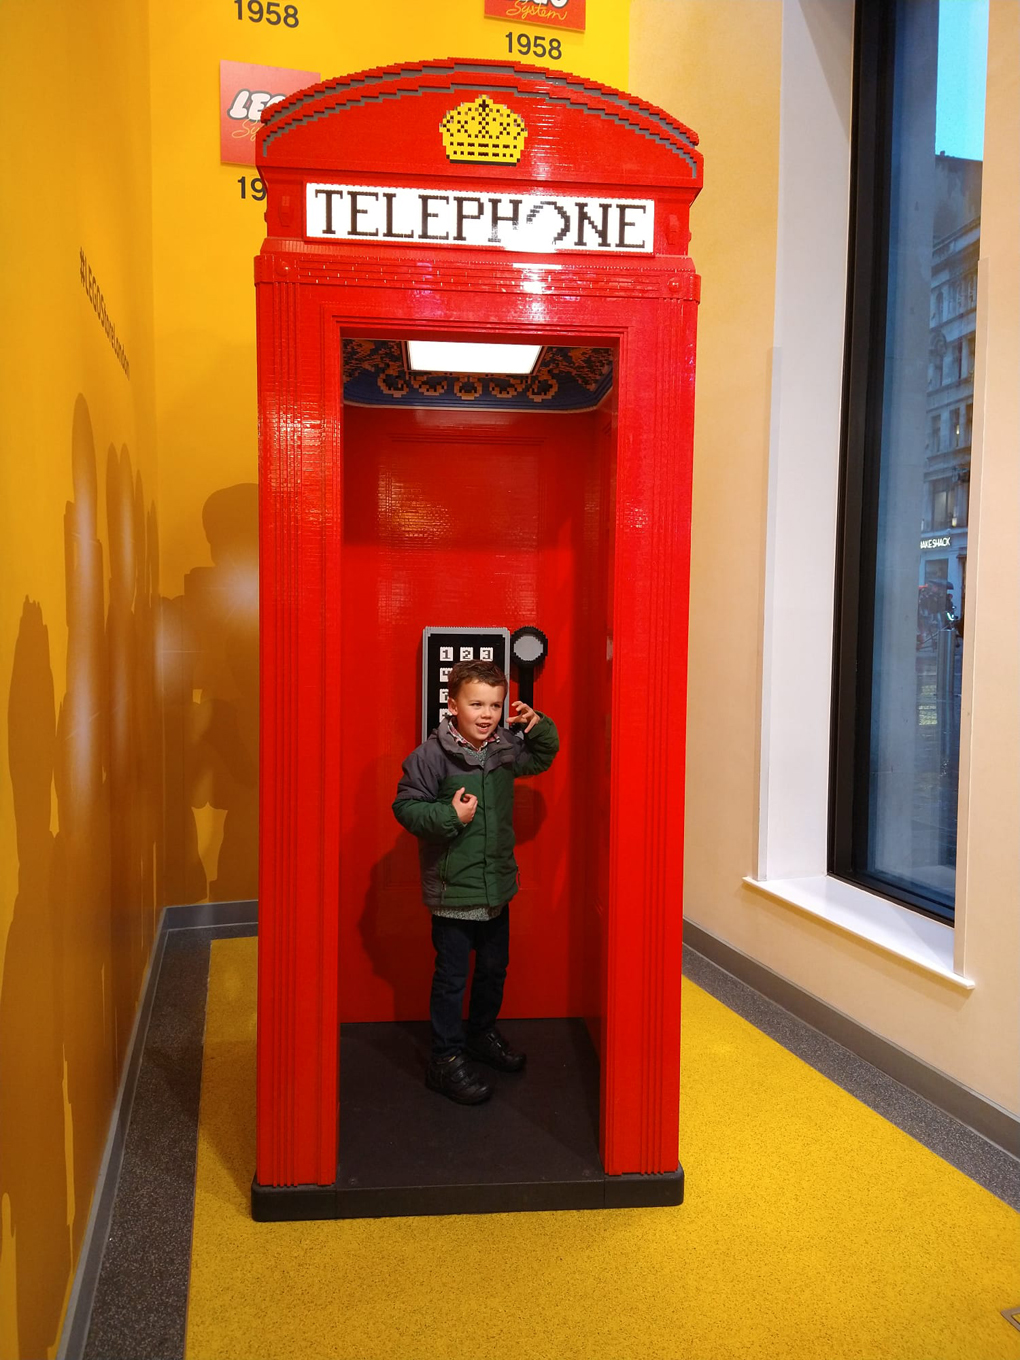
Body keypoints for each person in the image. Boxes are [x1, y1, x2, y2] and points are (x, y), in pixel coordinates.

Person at [392, 658, 559, 1105]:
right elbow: (406, 808)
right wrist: (451, 815)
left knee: (492, 969)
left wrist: (536, 724)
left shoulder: (504, 747)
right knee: (451, 979)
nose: (487, 714)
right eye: (476, 704)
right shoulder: (429, 756)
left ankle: (480, 1034)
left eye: (495, 705)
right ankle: (444, 1059)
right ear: (452, 705)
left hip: (496, 888)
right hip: (453, 892)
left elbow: (541, 757)